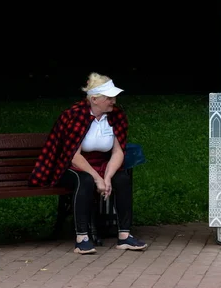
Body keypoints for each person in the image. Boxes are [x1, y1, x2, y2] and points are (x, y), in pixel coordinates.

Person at [29, 72, 147, 254]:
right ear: (94, 99)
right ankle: (81, 238)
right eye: (109, 98)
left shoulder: (117, 116)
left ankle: (125, 236)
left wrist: (107, 177)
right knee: (84, 180)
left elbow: (118, 151)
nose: (113, 101)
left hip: (103, 163)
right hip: (71, 165)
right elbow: (72, 155)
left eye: (114, 97)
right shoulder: (74, 116)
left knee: (122, 179)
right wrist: (97, 178)